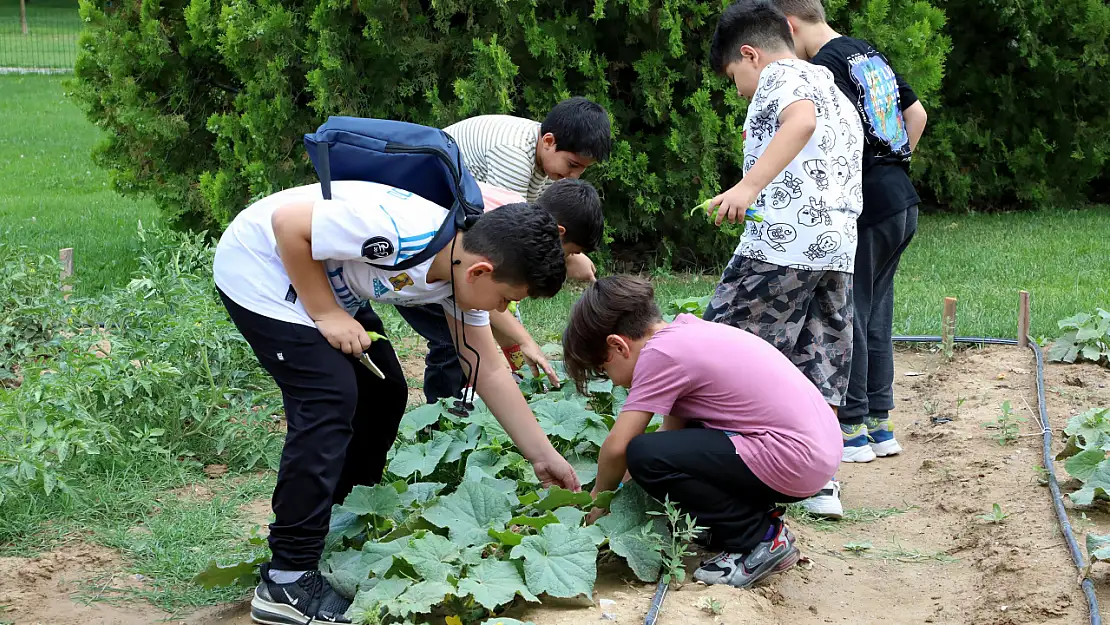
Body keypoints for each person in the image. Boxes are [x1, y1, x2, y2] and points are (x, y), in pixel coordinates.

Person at [212, 179, 580, 624]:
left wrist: (543, 456)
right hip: (262, 267)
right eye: (506, 299)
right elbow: (289, 225)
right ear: (480, 272)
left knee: (384, 390)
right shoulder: (401, 234)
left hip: (325, 276)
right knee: (330, 397)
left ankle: (335, 518)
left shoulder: (459, 269)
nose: (502, 309)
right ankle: (287, 577)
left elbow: (488, 367)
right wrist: (327, 314)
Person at [562, 276, 840, 589]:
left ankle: (758, 539)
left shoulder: (659, 354)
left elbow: (619, 448)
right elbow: (673, 434)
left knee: (642, 453)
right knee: (661, 451)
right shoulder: (685, 333)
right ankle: (746, 519)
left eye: (604, 369)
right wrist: (626, 501)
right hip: (814, 452)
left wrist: (599, 502)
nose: (611, 381)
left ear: (617, 345)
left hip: (794, 459)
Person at [700, 0, 864, 518]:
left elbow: (800, 122)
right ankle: (820, 480)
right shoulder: (831, 85)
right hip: (836, 246)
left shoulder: (781, 78)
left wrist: (747, 187)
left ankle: (719, 472)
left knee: (723, 347)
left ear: (750, 55)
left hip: (782, 244)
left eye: (733, 76)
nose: (738, 89)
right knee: (821, 350)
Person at [770, 0, 927, 470]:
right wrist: (893, 166)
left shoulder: (823, 67)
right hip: (901, 199)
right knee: (877, 313)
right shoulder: (865, 52)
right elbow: (915, 115)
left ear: (789, 26)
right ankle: (880, 424)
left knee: (850, 313)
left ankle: (852, 429)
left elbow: (815, 131)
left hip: (868, 204)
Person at [397, 97, 612, 404]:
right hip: (414, 240)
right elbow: (503, 264)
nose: (573, 176)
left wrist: (572, 254)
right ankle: (440, 418)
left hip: (449, 239)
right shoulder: (511, 156)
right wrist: (521, 343)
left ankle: (457, 402)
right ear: (549, 141)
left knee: (468, 321)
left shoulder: (543, 160)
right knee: (453, 335)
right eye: (573, 165)